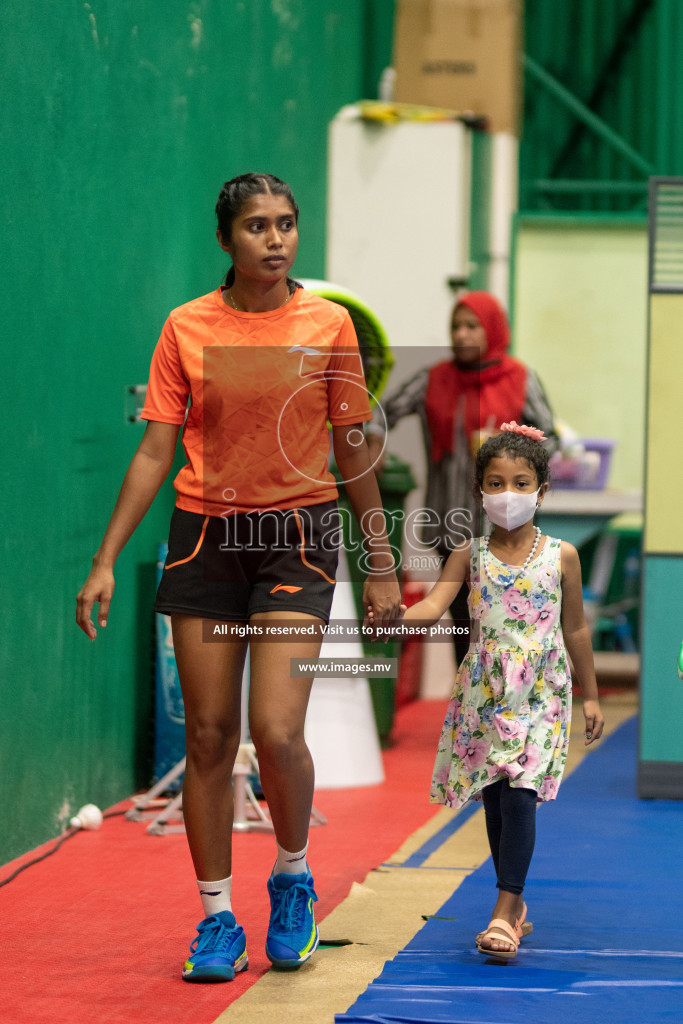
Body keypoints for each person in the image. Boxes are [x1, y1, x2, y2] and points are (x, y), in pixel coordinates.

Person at [76, 172, 401, 982]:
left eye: (286, 224)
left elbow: (354, 445)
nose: (276, 239)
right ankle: (217, 918)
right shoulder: (187, 327)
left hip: (297, 537)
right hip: (204, 542)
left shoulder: (326, 325)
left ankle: (291, 878)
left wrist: (383, 562)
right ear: (225, 239)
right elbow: (156, 447)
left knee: (278, 731)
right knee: (211, 736)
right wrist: (105, 559)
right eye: (257, 226)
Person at [368, 422, 604, 961]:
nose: (508, 495)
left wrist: (590, 695)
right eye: (495, 483)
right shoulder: (466, 555)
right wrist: (400, 619)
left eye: (521, 483)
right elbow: (433, 606)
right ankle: (514, 903)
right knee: (495, 800)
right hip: (484, 691)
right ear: (479, 491)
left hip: (541, 691)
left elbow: (576, 629)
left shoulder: (562, 555)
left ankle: (505, 905)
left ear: (542, 492)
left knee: (520, 793)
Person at [366, 291, 558, 666]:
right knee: (461, 622)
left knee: (506, 618)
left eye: (473, 326)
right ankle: (470, 701)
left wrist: (513, 452)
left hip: (505, 527)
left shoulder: (520, 378)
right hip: (450, 525)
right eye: (456, 326)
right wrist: (375, 443)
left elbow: (550, 438)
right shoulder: (433, 379)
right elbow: (378, 411)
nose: (462, 335)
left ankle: (510, 699)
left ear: (493, 330)